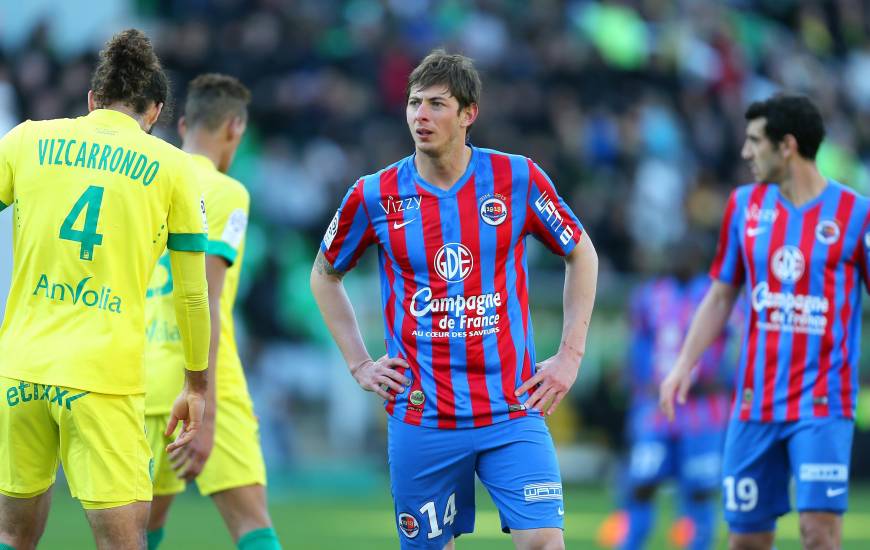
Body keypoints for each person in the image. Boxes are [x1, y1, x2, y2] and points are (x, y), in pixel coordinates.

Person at [310, 49, 598, 550]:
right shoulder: (374, 194)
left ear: (469, 114)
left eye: (437, 104)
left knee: (545, 542)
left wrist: (569, 357)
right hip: (422, 416)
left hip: (511, 410)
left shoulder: (518, 179)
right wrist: (359, 364)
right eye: (414, 103)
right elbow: (323, 273)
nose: (420, 116)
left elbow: (582, 252)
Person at [0, 29, 210, 550]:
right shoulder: (174, 167)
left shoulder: (26, 139)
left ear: (91, 100)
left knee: (11, 535)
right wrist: (197, 384)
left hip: (20, 368)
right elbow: (192, 295)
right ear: (156, 111)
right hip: (102, 376)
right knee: (122, 541)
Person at [660, 94, 870, 550]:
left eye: (755, 141)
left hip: (823, 405)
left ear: (787, 146)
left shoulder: (856, 215)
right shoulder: (744, 207)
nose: (745, 152)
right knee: (747, 540)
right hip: (754, 405)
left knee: (819, 535)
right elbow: (720, 295)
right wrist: (683, 366)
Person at [143, 74, 281, 550]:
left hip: (139, 375)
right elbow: (205, 297)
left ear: (182, 123)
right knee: (252, 525)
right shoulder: (225, 192)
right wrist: (210, 412)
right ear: (235, 127)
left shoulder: (149, 183)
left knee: (138, 531)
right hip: (199, 376)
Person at [607, 239, 734, 550]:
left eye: (685, 251)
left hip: (704, 410)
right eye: (673, 251)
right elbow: (637, 343)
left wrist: (722, 379)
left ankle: (698, 543)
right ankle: (631, 542)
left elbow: (735, 343)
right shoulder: (649, 295)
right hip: (654, 408)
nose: (678, 257)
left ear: (699, 256)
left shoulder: (716, 293)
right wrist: (636, 382)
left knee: (700, 488)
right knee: (640, 482)